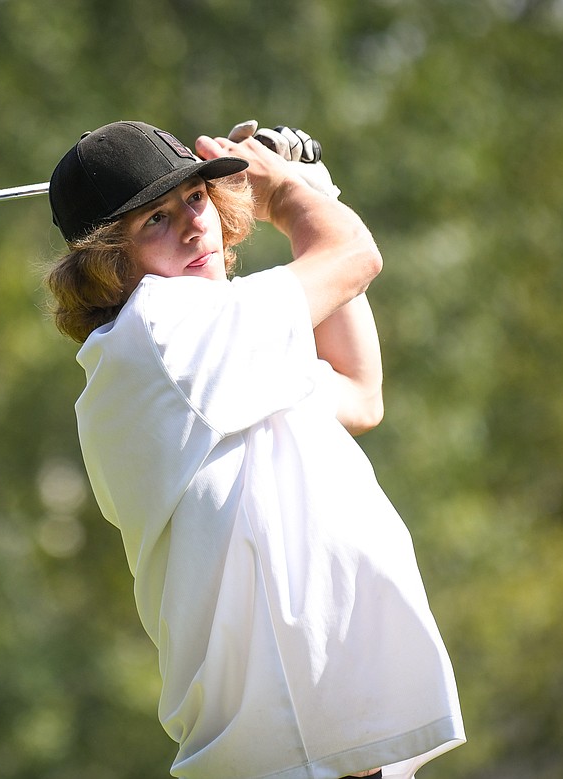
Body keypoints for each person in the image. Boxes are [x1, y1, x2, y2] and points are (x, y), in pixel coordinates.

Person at [44, 120, 465, 779]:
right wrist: (285, 193)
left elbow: (359, 393)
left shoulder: (215, 347)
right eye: (155, 218)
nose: (192, 225)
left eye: (195, 199)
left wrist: (313, 191)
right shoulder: (158, 335)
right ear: (108, 264)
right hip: (288, 761)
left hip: (338, 756)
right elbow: (354, 255)